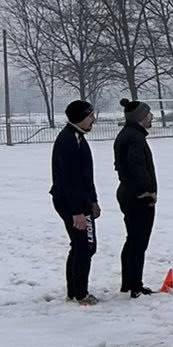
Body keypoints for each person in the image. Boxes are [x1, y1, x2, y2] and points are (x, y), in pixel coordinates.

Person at [50, 100, 100, 304]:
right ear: (79, 117)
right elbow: (69, 180)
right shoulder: (68, 141)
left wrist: (94, 200)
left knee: (82, 245)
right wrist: (77, 211)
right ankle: (80, 293)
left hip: (81, 201)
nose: (93, 119)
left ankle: (74, 290)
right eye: (89, 116)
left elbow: (86, 175)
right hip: (72, 203)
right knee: (85, 246)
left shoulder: (78, 137)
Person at [113, 100, 158, 297]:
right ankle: (134, 285)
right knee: (138, 242)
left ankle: (129, 282)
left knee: (133, 240)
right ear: (141, 117)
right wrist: (148, 190)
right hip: (137, 196)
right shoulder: (134, 138)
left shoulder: (130, 135)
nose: (151, 117)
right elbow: (136, 166)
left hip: (129, 193)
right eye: (149, 114)